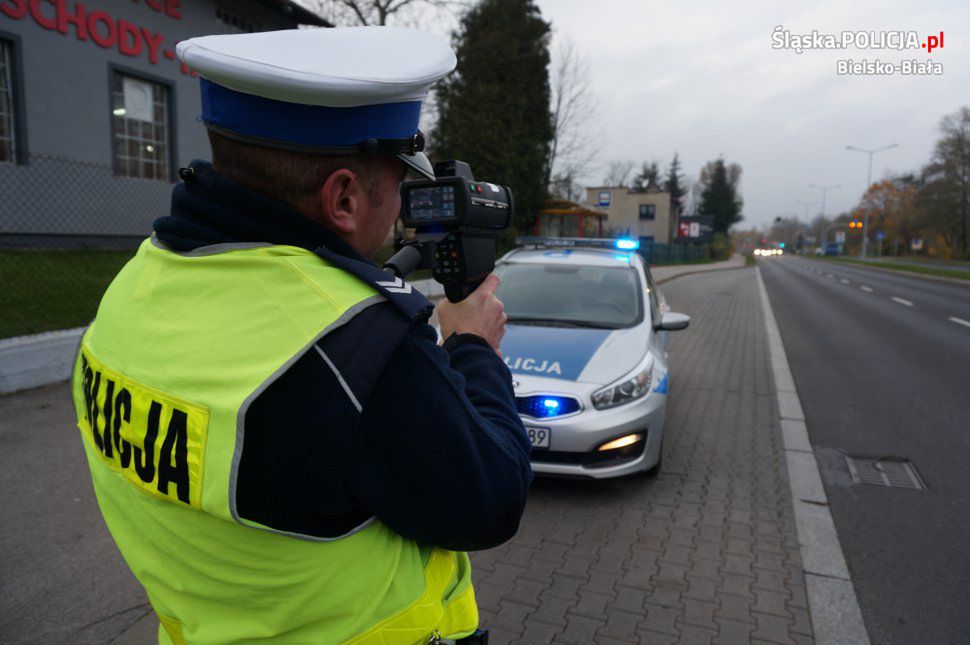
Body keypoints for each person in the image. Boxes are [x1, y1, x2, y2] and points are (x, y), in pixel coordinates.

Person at [71, 26, 532, 644]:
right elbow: (491, 498)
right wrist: (474, 345)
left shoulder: (133, 287)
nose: (403, 203)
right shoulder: (359, 344)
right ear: (342, 197)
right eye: (399, 177)